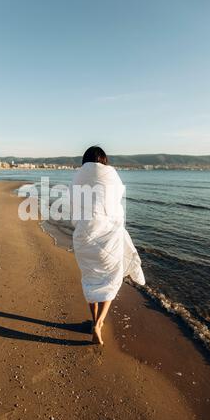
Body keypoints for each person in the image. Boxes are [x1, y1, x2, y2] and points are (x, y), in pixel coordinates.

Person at [71, 146, 145, 345]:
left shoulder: (78, 177)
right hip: (108, 240)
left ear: (85, 160)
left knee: (90, 279)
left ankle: (94, 320)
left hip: (83, 240)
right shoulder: (112, 177)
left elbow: (73, 208)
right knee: (111, 280)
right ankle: (99, 323)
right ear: (104, 160)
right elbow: (117, 205)